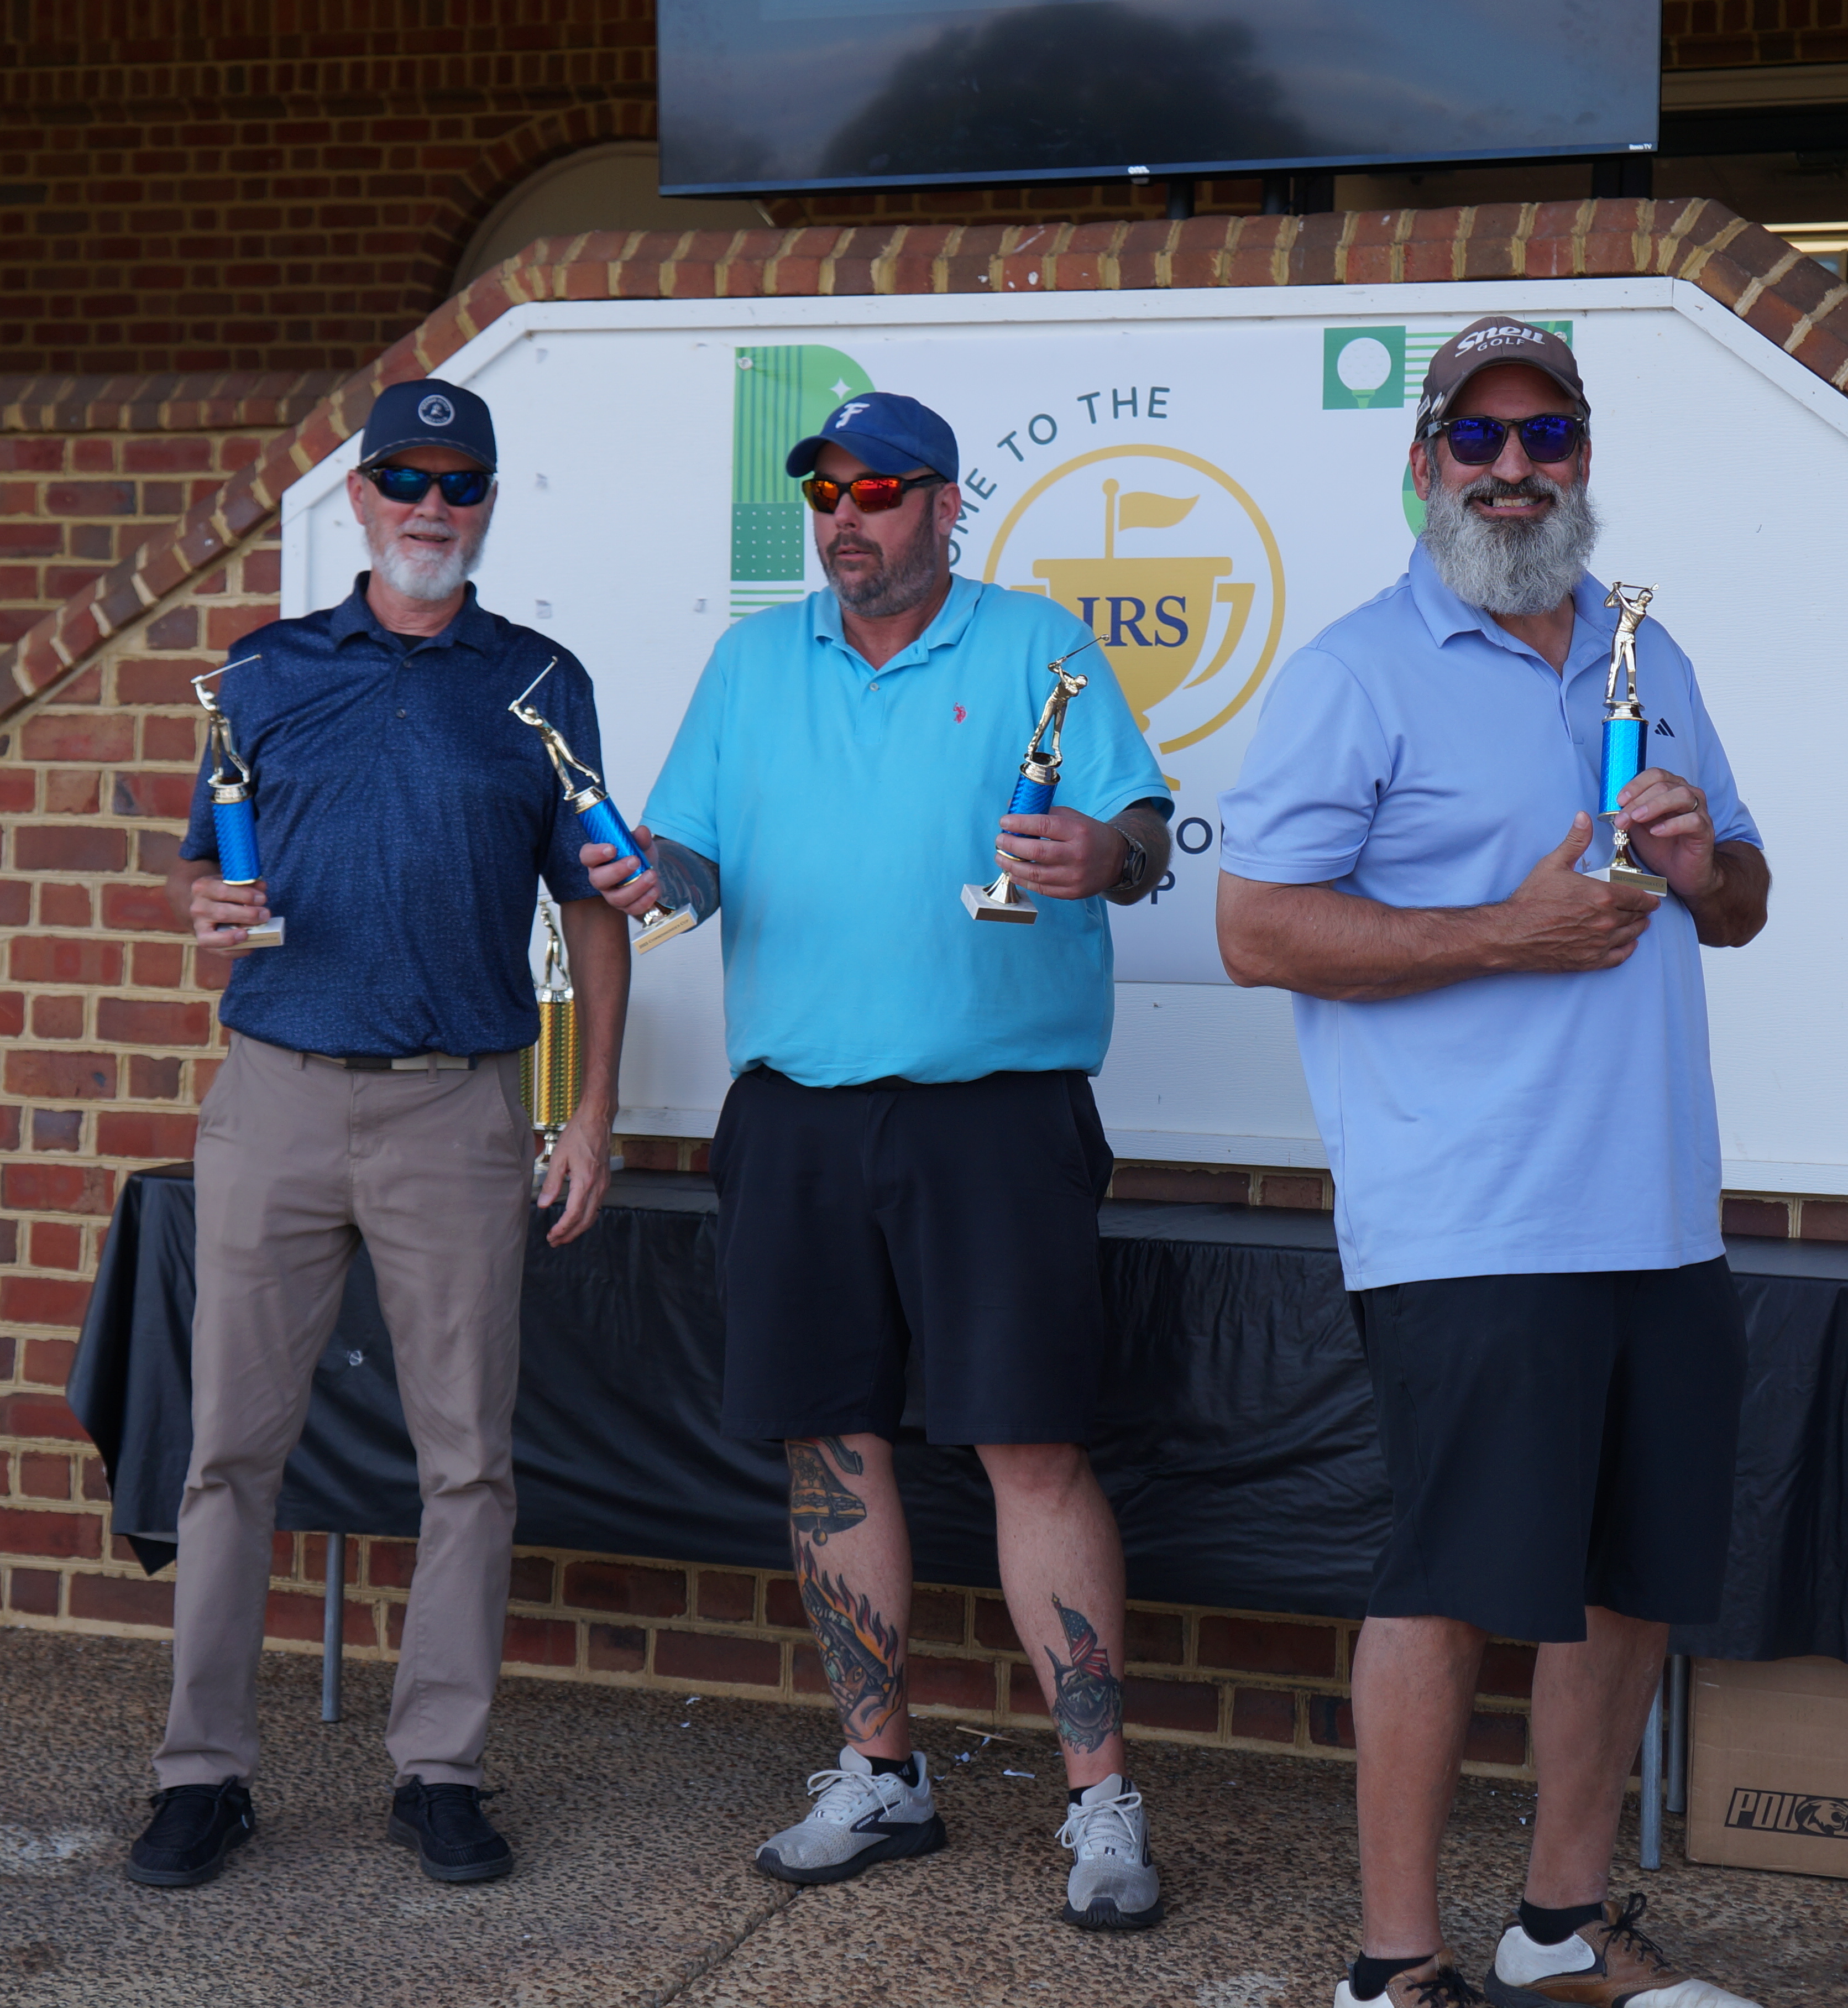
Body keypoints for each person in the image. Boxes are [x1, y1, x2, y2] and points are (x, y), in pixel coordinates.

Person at [1214, 320, 1772, 2008]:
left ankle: (1562, 1925)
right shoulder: (1357, 672)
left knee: (1630, 1587)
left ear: (1583, 459)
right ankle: (1392, 1964)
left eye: (1547, 438)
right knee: (1452, 1585)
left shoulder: (1645, 656)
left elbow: (1746, 901)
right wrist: (1504, 933)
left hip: (1657, 1207)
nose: (1514, 470)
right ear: (1425, 465)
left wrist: (1703, 863)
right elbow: (1257, 931)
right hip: (1468, 1215)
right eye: (1479, 439)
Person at [585, 391, 1177, 1929]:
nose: (847, 518)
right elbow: (693, 861)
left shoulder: (1036, 641)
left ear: (944, 505)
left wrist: (1106, 856)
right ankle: (881, 1772)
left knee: (1032, 1449)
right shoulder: (750, 661)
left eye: (880, 491)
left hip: (997, 1111)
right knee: (830, 1448)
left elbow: (1140, 831)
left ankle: (1102, 1798)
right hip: (797, 1111)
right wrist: (650, 872)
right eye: (827, 494)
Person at [127, 378, 630, 1891]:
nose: (431, 506)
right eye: (404, 478)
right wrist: (201, 908)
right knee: (230, 1451)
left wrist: (590, 1109)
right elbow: (201, 866)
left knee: (467, 1460)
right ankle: (202, 1775)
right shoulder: (264, 671)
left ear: (489, 503)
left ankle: (441, 1771)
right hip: (276, 1090)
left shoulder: (539, 681)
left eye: (459, 482)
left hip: (458, 1101)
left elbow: (593, 906)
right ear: (357, 498)